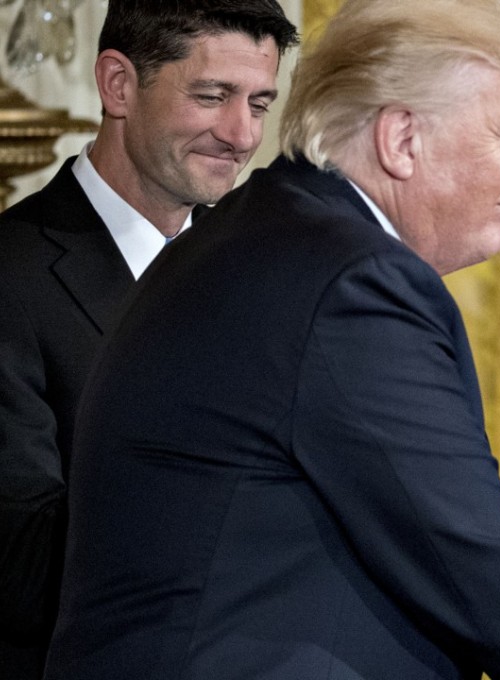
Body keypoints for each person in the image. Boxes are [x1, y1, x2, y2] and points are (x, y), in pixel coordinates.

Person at [42, 1, 500, 678]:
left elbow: (400, 532)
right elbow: (498, 596)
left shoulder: (265, 238)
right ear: (401, 139)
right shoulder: (353, 284)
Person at [0, 2, 299, 677]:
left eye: (259, 102)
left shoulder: (268, 273)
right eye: (212, 96)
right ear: (118, 85)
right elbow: (21, 569)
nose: (241, 133)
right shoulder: (11, 278)